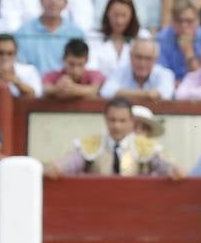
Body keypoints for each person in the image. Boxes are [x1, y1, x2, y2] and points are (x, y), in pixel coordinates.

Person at [49, 97, 178, 178]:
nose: (117, 126)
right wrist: (59, 167)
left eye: (122, 121)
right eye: (112, 120)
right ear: (105, 120)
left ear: (131, 121)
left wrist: (172, 169)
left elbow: (163, 164)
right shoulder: (92, 144)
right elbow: (72, 161)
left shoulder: (145, 146)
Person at [153, 0, 201, 79]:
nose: (184, 26)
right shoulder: (161, 39)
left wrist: (189, 53)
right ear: (172, 21)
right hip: (171, 88)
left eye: (189, 21)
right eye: (179, 21)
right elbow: (160, 76)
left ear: (198, 21)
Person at [100, 36, 176, 100]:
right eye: (138, 57)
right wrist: (148, 94)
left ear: (155, 60)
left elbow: (166, 94)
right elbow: (106, 92)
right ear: (130, 56)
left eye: (148, 58)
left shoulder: (165, 74)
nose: (142, 63)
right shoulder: (119, 71)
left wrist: (121, 93)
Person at [42, 38, 106, 100]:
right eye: (71, 64)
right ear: (63, 58)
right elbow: (46, 89)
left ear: (87, 60)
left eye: (80, 65)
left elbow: (94, 90)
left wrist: (68, 88)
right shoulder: (50, 75)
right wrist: (57, 88)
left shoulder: (96, 75)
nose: (75, 70)